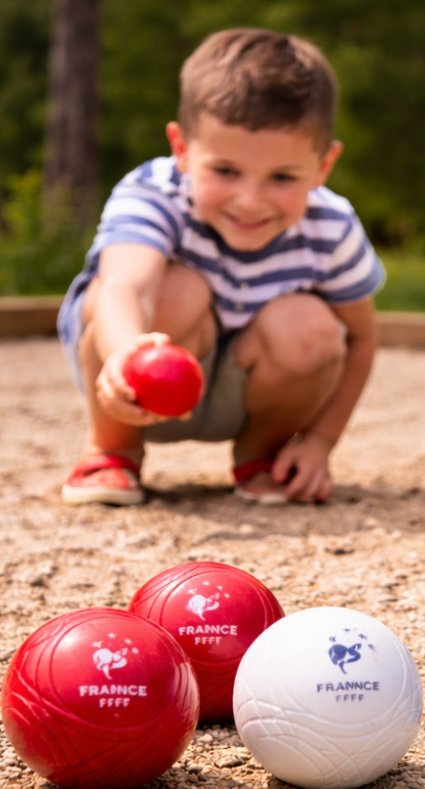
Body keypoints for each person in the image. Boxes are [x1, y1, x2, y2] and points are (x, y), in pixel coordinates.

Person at [57, 28, 384, 507]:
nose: (249, 201)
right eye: (226, 171)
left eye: (282, 177)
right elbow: (124, 288)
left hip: (250, 391)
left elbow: (361, 338)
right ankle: (112, 450)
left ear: (323, 166)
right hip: (138, 384)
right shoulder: (152, 192)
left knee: (312, 325)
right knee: (177, 290)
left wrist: (320, 441)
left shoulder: (331, 226)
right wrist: (125, 353)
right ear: (182, 148)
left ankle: (262, 457)